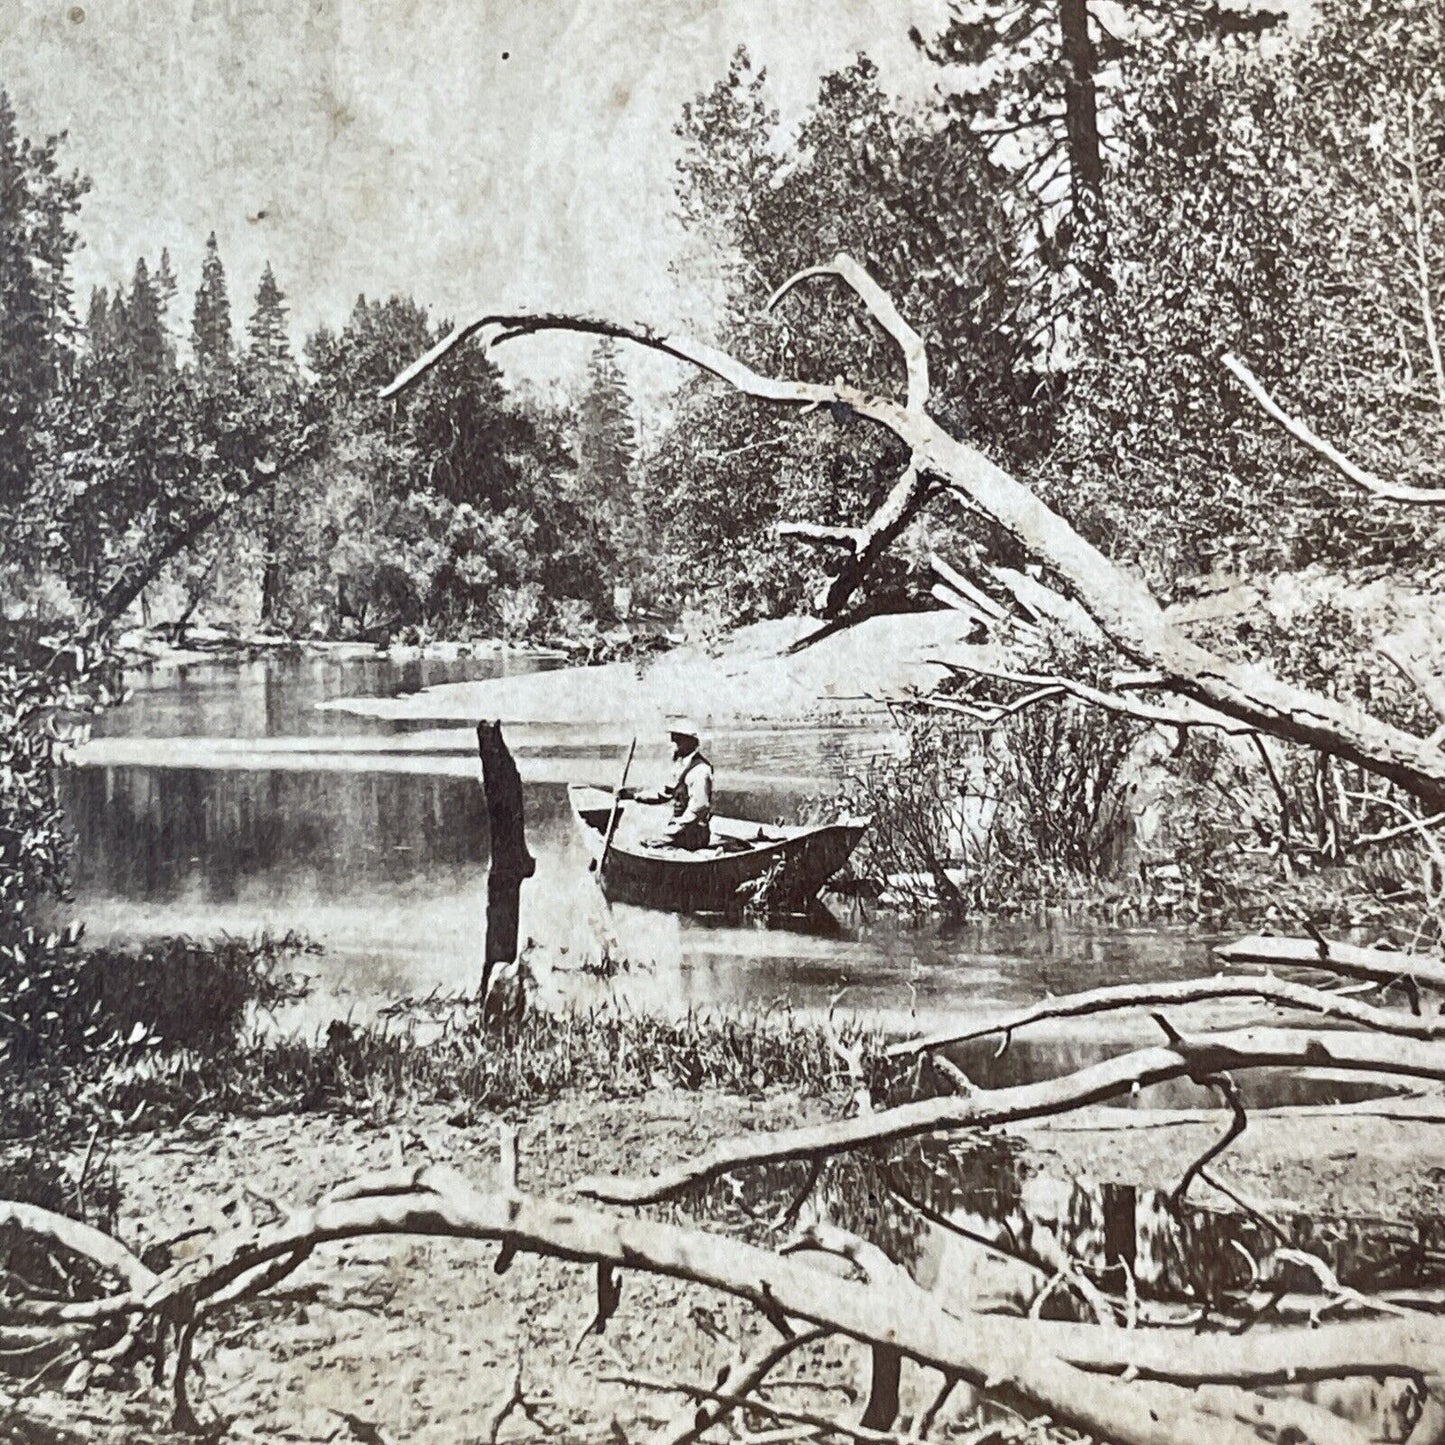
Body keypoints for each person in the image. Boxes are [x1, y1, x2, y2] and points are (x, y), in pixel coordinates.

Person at [630, 718, 714, 850]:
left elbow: (697, 810)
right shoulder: (681, 766)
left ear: (690, 742)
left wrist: (665, 836)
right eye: (672, 738)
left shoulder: (700, 771)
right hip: (680, 830)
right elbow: (665, 794)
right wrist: (633, 795)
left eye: (677, 739)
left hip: (693, 835)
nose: (672, 742)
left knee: (648, 845)